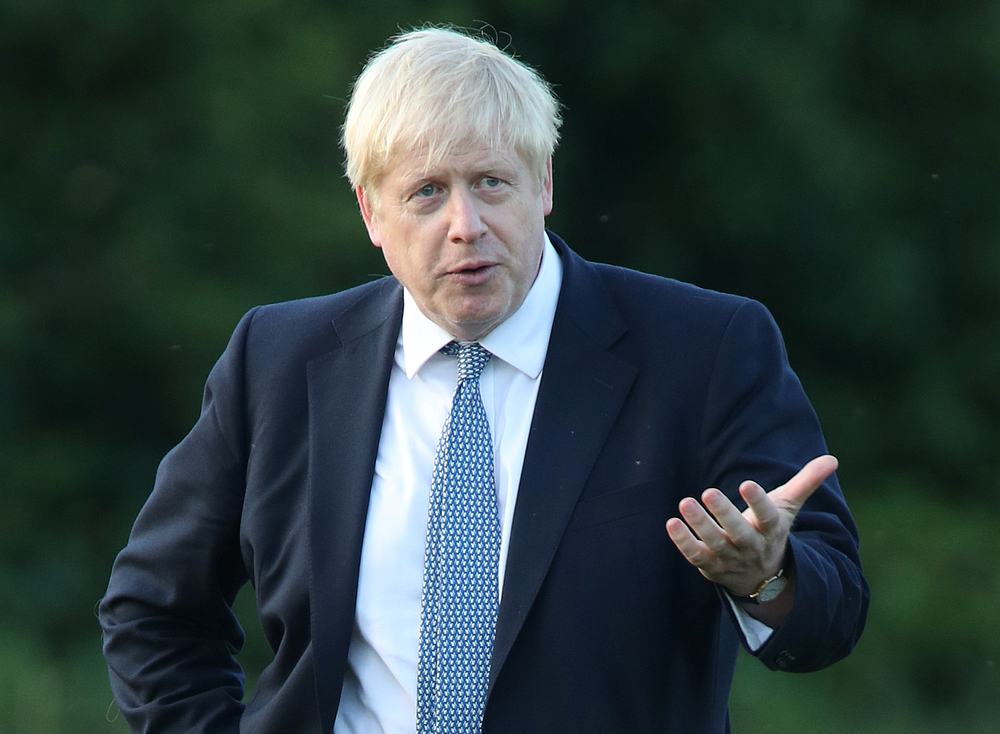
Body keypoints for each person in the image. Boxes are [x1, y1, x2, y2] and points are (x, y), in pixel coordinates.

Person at [99, 26, 869, 734]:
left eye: (492, 182)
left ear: (544, 184)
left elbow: (832, 616)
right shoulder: (279, 360)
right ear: (371, 213)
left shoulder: (703, 349)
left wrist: (768, 579)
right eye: (427, 192)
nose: (465, 225)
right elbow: (152, 608)